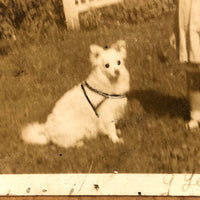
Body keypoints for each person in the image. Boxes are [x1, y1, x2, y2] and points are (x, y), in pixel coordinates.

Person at [170, 0, 200, 130]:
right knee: (192, 72)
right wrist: (175, 30)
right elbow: (178, 7)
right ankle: (196, 114)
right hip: (188, 27)